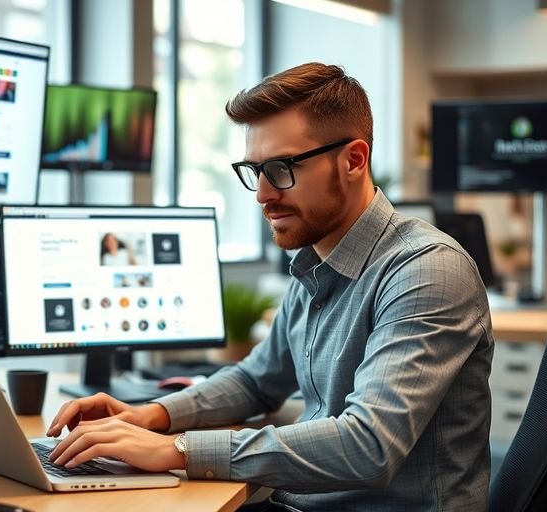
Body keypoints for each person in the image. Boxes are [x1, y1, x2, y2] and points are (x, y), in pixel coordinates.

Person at [46, 63, 493, 511]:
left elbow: (368, 445)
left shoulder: (427, 269)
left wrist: (177, 449)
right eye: (254, 170)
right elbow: (255, 380)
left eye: (280, 168)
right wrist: (153, 416)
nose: (262, 193)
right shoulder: (315, 259)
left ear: (354, 160)